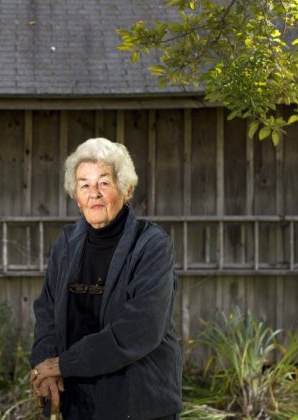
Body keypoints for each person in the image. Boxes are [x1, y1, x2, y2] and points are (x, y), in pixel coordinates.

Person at [29, 137, 182, 419]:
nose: (94, 193)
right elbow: (46, 313)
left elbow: (141, 328)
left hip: (137, 403)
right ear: (76, 196)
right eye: (84, 184)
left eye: (104, 182)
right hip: (77, 401)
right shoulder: (66, 243)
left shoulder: (151, 245)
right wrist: (45, 368)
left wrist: (63, 364)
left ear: (127, 189)